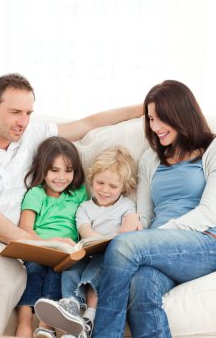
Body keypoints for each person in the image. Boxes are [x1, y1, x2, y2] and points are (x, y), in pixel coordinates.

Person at [0, 73, 143, 335]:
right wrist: (38, 243)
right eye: (15, 112)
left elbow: (87, 123)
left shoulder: (32, 134)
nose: (23, 121)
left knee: (8, 283)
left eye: (28, 112)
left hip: (0, 246)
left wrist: (144, 107)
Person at [91, 79, 216, 338]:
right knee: (142, 285)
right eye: (150, 119)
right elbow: (147, 217)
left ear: (181, 114)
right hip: (157, 247)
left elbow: (209, 213)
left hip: (204, 242)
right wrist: (135, 224)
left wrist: (148, 238)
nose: (155, 127)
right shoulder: (150, 159)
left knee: (124, 246)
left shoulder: (212, 150)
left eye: (161, 119)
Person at [34, 146, 141, 338]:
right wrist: (91, 242)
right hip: (88, 250)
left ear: (124, 186)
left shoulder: (127, 205)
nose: (105, 190)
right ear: (92, 180)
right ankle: (71, 307)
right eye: (100, 183)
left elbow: (129, 226)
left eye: (113, 186)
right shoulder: (84, 207)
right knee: (71, 269)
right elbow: (85, 231)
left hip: (110, 256)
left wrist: (129, 224)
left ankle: (89, 317)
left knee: (95, 270)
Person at [15, 136, 88, 338]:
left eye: (68, 170)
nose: (62, 177)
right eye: (54, 170)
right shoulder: (36, 194)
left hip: (65, 255)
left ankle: (46, 324)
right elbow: (25, 229)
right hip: (38, 250)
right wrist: (50, 243)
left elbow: (89, 220)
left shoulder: (79, 193)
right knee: (34, 270)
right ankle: (24, 321)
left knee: (58, 274)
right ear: (43, 169)